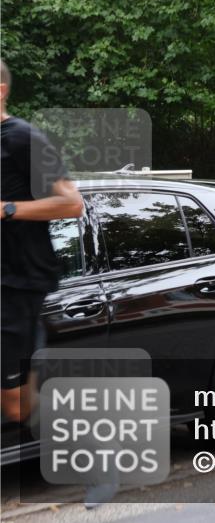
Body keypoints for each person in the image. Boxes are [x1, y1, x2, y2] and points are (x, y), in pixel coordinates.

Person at [0, 61, 117, 507]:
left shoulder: (23, 139)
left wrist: (8, 209)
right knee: (16, 398)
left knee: (15, 403)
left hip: (17, 283)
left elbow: (72, 204)